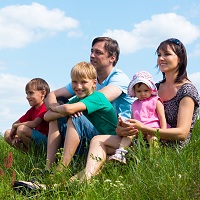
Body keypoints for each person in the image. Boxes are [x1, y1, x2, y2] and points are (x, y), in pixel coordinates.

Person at [70, 38, 199, 182]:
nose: (161, 58)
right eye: (159, 54)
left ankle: (70, 184)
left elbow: (182, 133)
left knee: (103, 161)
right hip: (141, 140)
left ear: (180, 59)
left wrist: (143, 128)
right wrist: (123, 129)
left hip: (165, 149)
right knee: (98, 140)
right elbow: (138, 119)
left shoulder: (187, 90)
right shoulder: (152, 88)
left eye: (167, 54)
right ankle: (79, 182)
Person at [44, 36, 133, 169]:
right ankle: (48, 168)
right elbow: (52, 95)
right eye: (91, 51)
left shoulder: (118, 79)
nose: (92, 55)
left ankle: (61, 170)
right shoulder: (86, 81)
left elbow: (98, 99)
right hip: (93, 124)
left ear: (112, 58)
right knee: (58, 117)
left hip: (118, 134)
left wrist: (69, 109)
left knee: (75, 117)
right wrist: (56, 107)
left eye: (98, 52)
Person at [109, 71, 169, 164]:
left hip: (152, 129)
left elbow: (162, 117)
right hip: (138, 130)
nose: (143, 94)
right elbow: (133, 118)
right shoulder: (134, 104)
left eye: (146, 90)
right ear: (135, 92)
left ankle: (156, 159)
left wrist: (163, 132)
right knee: (129, 135)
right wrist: (127, 125)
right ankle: (120, 153)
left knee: (153, 139)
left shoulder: (156, 101)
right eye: (139, 91)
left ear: (151, 90)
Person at [4, 78, 50, 153]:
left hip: (46, 140)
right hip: (36, 139)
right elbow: (15, 123)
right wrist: (16, 135)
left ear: (43, 93)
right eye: (26, 93)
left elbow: (34, 123)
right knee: (7, 134)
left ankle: (40, 155)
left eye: (31, 93)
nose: (27, 97)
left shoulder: (45, 106)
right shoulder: (32, 110)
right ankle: (33, 157)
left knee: (21, 129)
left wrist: (16, 127)